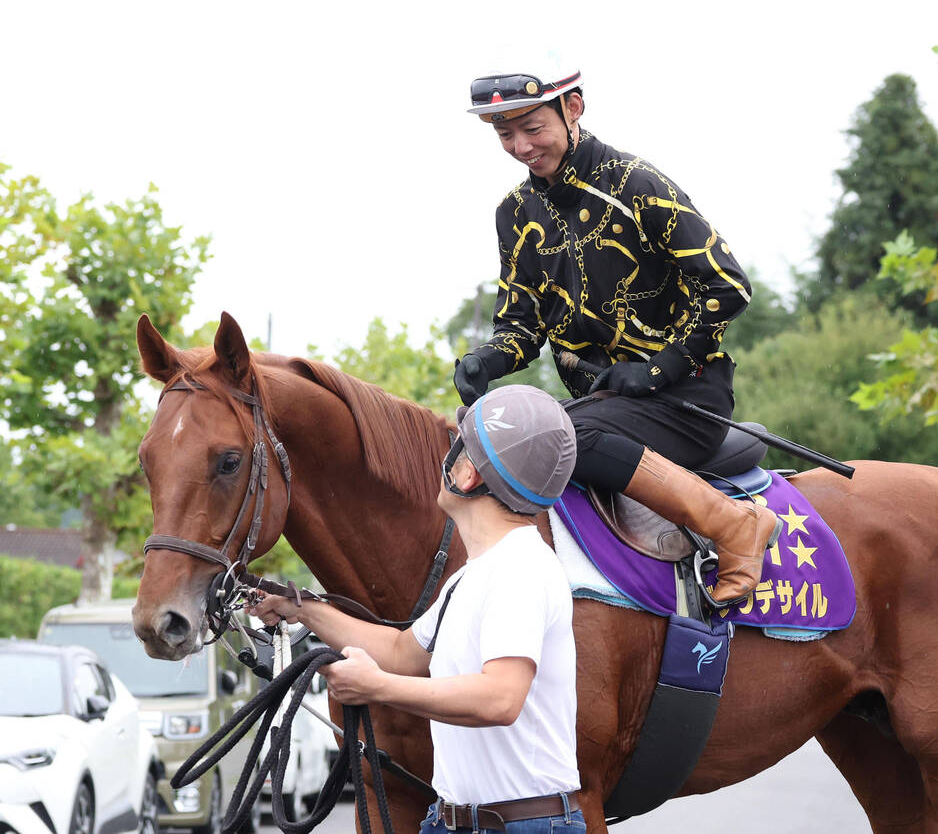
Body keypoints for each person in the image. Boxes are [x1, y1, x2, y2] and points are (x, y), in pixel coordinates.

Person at [455, 58, 781, 605]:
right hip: (605, 404)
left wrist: (659, 368)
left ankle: (734, 524)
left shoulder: (637, 183)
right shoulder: (513, 212)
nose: (520, 147)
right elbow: (520, 323)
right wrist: (488, 360)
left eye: (532, 129)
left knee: (560, 441)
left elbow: (729, 285)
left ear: (573, 108)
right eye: (505, 135)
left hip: (686, 397)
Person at [249, 384, 585, 833]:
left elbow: (500, 698)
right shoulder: (472, 576)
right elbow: (402, 650)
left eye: (458, 449)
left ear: (467, 476)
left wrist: (376, 687)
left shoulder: (518, 567)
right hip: (461, 821)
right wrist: (303, 610)